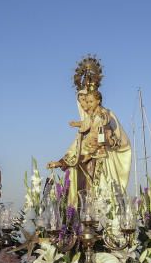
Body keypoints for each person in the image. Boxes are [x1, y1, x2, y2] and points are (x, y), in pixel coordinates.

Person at [47, 56, 131, 207]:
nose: (85, 106)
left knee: (102, 199)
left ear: (97, 100)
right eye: (82, 102)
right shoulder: (86, 125)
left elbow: (120, 140)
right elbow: (76, 148)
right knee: (83, 195)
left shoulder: (105, 115)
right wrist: (60, 162)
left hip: (102, 162)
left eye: (88, 101)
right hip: (86, 162)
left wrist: (107, 140)